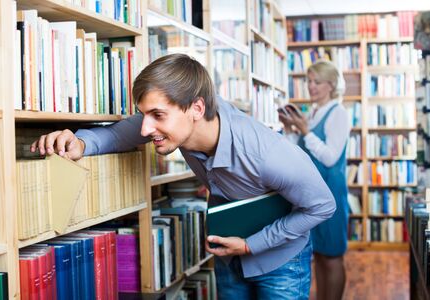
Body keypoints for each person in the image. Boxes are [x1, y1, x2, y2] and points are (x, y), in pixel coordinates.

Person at [31, 54, 336, 299]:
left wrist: (249, 245)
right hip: (228, 254)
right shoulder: (183, 124)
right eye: (145, 115)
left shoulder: (269, 154)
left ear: (197, 108)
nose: (145, 129)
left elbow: (323, 206)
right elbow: (122, 133)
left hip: (280, 260)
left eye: (157, 116)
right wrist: (81, 143)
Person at [279, 60, 350, 300]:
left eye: (316, 82)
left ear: (330, 85)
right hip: (311, 194)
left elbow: (330, 158)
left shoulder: (338, 113)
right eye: (308, 81)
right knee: (318, 253)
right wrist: (291, 129)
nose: (310, 86)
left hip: (330, 193)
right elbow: (300, 152)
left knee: (332, 256)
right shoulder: (313, 112)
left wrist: (305, 131)